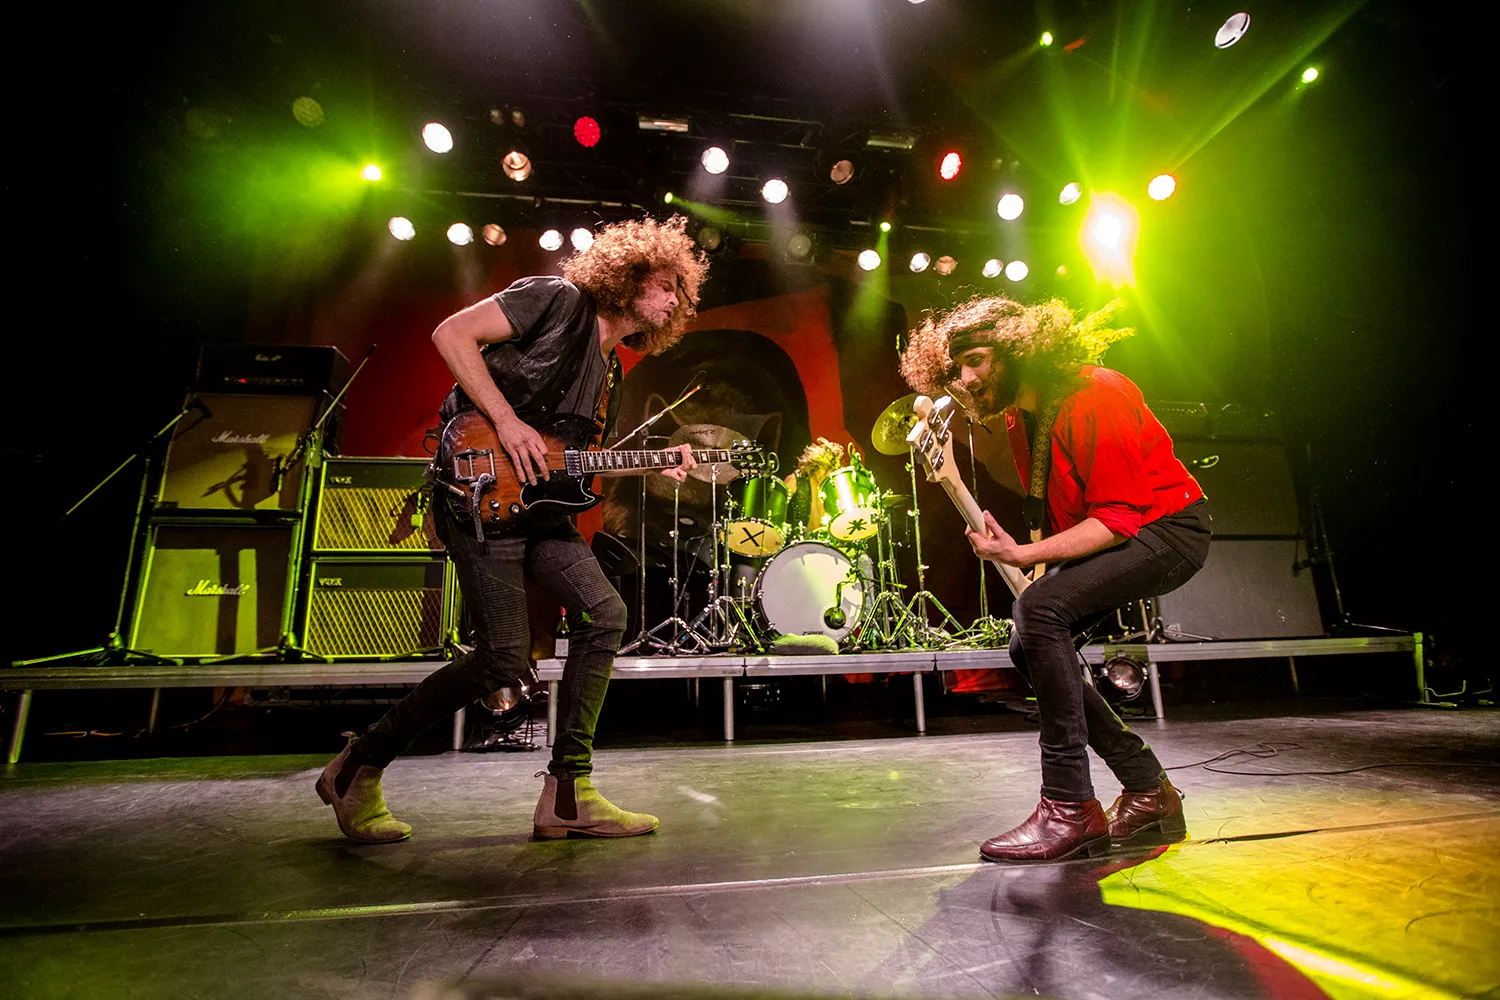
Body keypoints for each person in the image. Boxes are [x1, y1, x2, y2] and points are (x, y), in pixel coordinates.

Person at [316, 216, 709, 843]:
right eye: (668, 285)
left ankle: (568, 793)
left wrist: (661, 461)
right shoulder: (556, 300)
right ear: (633, 277)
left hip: (541, 512)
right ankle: (358, 766)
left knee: (604, 614)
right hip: (477, 494)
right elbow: (452, 334)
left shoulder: (611, 372)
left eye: (680, 293)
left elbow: (567, 463)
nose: (675, 300)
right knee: (503, 654)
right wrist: (506, 421)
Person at [899, 296, 1211, 863]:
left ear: (1020, 349)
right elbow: (1065, 517)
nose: (964, 380)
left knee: (1038, 613)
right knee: (1028, 637)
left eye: (977, 361)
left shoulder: (1097, 393)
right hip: (1119, 529)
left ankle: (1069, 807)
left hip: (1169, 531)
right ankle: (1149, 791)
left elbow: (1116, 520)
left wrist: (1024, 557)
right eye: (955, 368)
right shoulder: (1024, 418)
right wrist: (1030, 561)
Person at [783, 437, 845, 537]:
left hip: (830, 543)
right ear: (816, 464)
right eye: (825, 467)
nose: (827, 473)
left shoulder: (836, 486)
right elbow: (774, 514)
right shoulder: (795, 480)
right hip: (800, 544)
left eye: (831, 468)